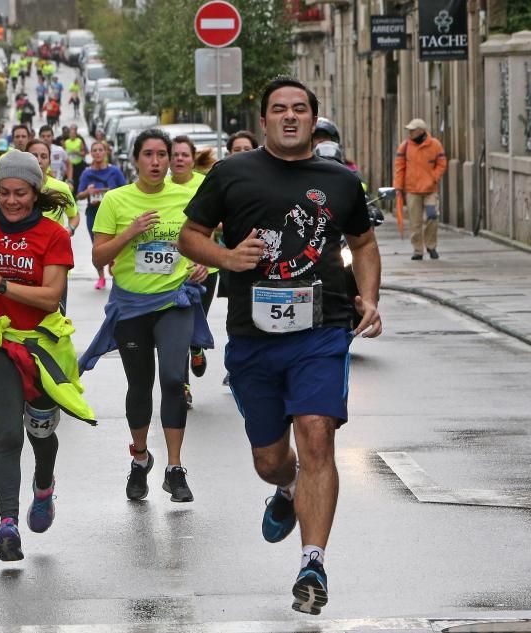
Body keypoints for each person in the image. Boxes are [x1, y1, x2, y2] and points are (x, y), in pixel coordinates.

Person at [177, 76, 382, 616]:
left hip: (322, 331)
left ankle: (312, 563)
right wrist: (226, 258)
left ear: (313, 119)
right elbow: (190, 236)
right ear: (264, 119)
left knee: (317, 437)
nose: (289, 117)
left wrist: (369, 298)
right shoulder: (230, 174)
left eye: (299, 109)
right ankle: (286, 487)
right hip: (254, 338)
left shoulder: (340, 181)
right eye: (278, 109)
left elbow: (363, 244)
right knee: (271, 460)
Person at [0, 150, 95, 562]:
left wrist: (0, 285)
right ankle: (7, 524)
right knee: (8, 434)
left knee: (40, 433)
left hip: (42, 347)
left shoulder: (54, 236)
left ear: (35, 193)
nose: (12, 201)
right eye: (4, 193)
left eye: (20, 193)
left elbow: (52, 297)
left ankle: (44, 485)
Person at [78, 128, 214, 506]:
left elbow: (206, 239)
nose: (156, 162)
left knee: (173, 379)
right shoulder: (117, 201)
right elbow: (99, 257)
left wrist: (201, 262)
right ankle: (140, 457)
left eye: (162, 155)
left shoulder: (187, 195)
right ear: (136, 159)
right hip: (131, 306)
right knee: (139, 386)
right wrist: (131, 233)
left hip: (174, 301)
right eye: (148, 155)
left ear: (170, 160)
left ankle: (174, 468)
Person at [166, 136, 215, 399]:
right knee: (179, 331)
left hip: (204, 269)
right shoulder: (159, 188)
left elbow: (219, 224)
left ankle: (197, 347)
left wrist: (203, 260)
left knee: (195, 326)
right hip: (172, 272)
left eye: (185, 155)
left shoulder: (205, 185)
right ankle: (182, 387)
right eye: (174, 155)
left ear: (193, 158)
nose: (179, 160)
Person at [27, 138, 80, 314]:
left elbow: (74, 215)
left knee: (57, 315)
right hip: (26, 260)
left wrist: (69, 230)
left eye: (43, 156)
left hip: (56, 261)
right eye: (34, 155)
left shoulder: (61, 188)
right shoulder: (18, 189)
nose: (39, 160)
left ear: (49, 160)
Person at [394, 118, 447, 261]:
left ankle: (431, 246)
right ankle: (418, 250)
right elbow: (399, 168)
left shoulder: (435, 145)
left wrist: (434, 177)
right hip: (412, 190)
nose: (410, 133)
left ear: (421, 131)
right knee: (415, 222)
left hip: (430, 190)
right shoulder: (404, 147)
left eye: (412, 130)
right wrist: (398, 187)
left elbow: (442, 163)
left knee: (431, 216)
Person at [76, 141, 126, 289]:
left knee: (115, 244)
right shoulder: (87, 173)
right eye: (94, 150)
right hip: (93, 213)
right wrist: (88, 192)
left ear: (106, 152)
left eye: (100, 150)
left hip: (114, 215)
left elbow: (127, 191)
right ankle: (101, 277)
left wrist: (112, 194)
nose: (97, 153)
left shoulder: (115, 171)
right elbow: (79, 195)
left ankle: (115, 268)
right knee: (97, 246)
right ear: (91, 154)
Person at [64, 124, 88, 192]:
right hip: (69, 165)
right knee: (70, 181)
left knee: (78, 180)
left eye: (73, 134)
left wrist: (77, 153)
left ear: (76, 134)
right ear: (69, 134)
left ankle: (77, 193)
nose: (72, 135)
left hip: (78, 164)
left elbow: (84, 153)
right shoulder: (66, 142)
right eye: (71, 134)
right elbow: (64, 154)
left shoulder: (79, 141)